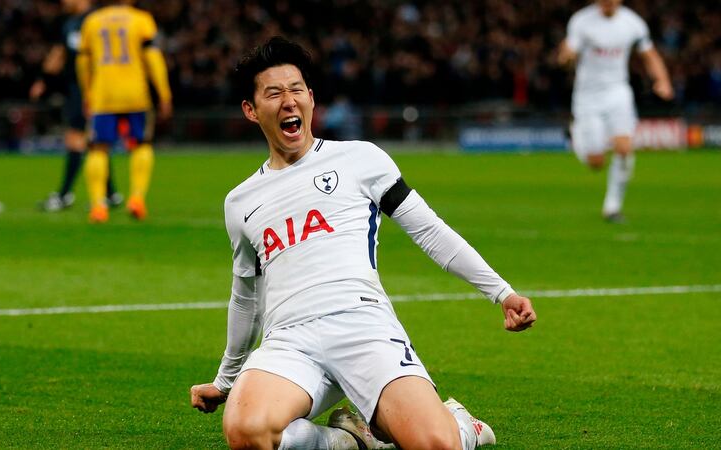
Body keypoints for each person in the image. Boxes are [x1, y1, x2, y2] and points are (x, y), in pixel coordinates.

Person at [190, 37, 537, 450]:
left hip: (363, 326)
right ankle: (341, 441)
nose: (289, 101)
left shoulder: (360, 159)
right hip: (288, 339)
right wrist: (225, 381)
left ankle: (461, 426)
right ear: (251, 110)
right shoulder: (240, 201)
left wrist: (501, 292)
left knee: (434, 445)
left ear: (312, 100)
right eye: (274, 93)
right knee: (245, 432)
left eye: (296, 90)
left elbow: (429, 231)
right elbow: (246, 297)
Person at [558, 0, 673, 223]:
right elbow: (568, 52)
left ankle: (612, 207)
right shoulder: (582, 21)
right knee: (596, 162)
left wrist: (663, 80)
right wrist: (565, 57)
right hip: (587, 96)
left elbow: (649, 55)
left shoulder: (633, 23)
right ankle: (576, 133)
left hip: (618, 92)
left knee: (624, 147)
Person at [76, 0, 172, 223]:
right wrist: (164, 92)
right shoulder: (141, 19)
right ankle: (137, 198)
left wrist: (87, 92)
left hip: (103, 94)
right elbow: (153, 57)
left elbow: (82, 61)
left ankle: (99, 206)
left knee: (98, 148)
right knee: (141, 144)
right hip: (135, 94)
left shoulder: (92, 21)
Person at [32, 0, 123, 213]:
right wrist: (43, 79)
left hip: (91, 87)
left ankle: (64, 194)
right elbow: (59, 54)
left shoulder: (97, 21)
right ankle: (111, 193)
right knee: (97, 140)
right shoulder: (70, 23)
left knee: (76, 138)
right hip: (77, 87)